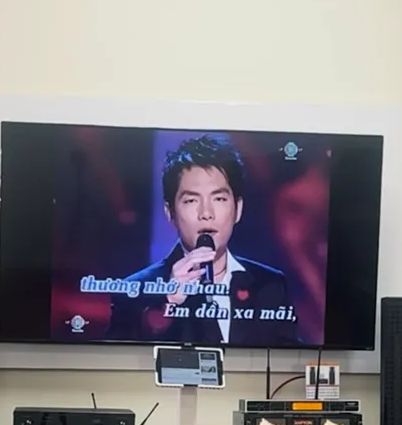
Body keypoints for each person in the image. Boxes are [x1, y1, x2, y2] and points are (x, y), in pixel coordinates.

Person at [108, 134, 298, 345]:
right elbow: (124, 355)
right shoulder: (133, 290)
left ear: (238, 209)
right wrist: (169, 301)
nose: (206, 213)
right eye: (191, 200)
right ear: (170, 213)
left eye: (219, 199)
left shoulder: (269, 284)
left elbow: (288, 355)